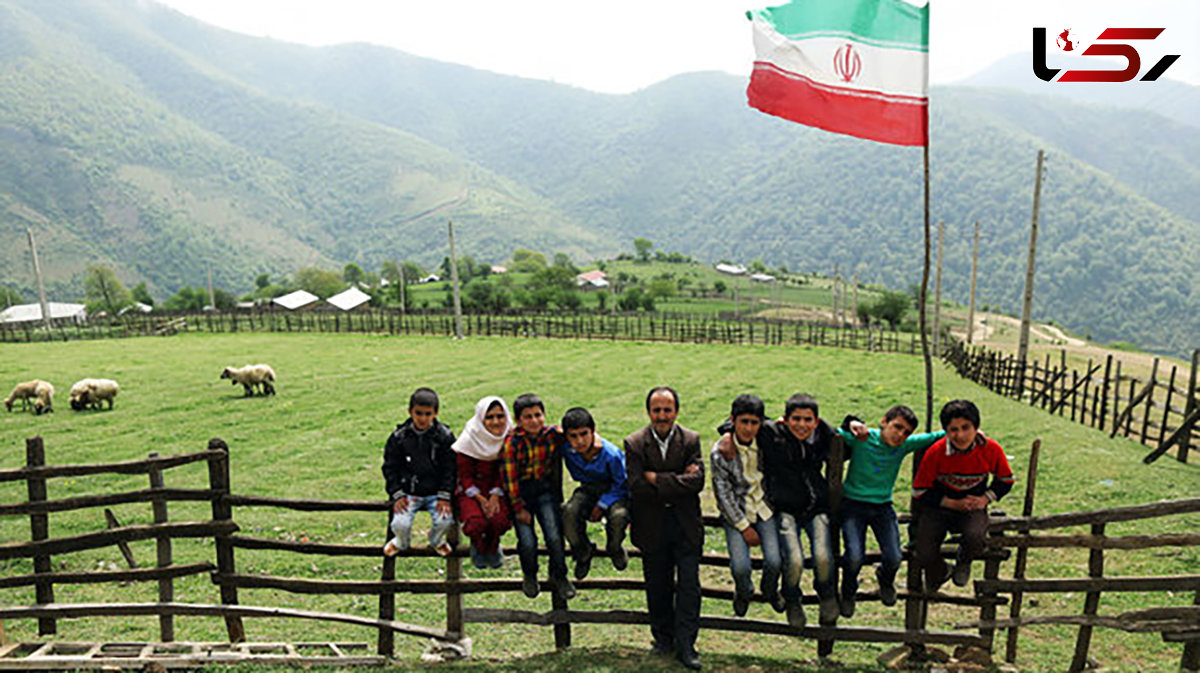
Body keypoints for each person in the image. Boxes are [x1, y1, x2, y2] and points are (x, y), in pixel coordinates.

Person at [835, 404, 945, 617]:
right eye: (897, 427)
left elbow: (933, 437)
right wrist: (850, 423)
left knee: (894, 556)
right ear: (884, 422)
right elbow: (831, 433)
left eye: (906, 432)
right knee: (854, 555)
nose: (900, 435)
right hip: (853, 505)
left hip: (882, 507)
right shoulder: (863, 439)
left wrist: (971, 432)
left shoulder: (902, 446)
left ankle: (885, 579)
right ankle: (848, 590)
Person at [625, 386, 704, 671]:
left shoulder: (691, 440)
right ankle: (662, 640)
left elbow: (697, 483)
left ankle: (687, 646)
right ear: (649, 412)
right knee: (656, 586)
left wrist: (656, 479)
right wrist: (678, 481)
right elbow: (636, 487)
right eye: (656, 410)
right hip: (652, 526)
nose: (662, 415)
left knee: (689, 588)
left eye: (667, 410)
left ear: (676, 411)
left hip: (685, 526)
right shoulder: (634, 443)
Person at [912, 399, 1014, 592]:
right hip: (939, 507)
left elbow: (1006, 480)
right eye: (953, 429)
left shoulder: (991, 449)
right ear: (946, 431)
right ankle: (940, 571)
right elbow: (919, 491)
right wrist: (950, 503)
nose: (960, 435)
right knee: (923, 552)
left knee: (976, 537)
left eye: (966, 428)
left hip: (973, 506)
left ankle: (964, 559)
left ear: (977, 427)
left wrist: (985, 498)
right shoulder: (936, 452)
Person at [762, 394, 840, 627]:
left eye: (808, 420)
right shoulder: (774, 436)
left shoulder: (823, 437)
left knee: (824, 556)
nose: (802, 425)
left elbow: (845, 440)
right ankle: (792, 597)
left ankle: (826, 593)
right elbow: (741, 421)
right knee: (794, 559)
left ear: (816, 421)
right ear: (785, 419)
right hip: (785, 508)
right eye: (796, 419)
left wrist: (850, 422)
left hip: (817, 507)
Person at [711, 394, 785, 619]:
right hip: (737, 513)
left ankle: (770, 589)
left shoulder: (765, 440)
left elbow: (774, 423)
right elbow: (723, 494)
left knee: (774, 560)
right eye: (744, 422)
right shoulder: (721, 452)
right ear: (733, 421)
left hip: (764, 508)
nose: (749, 428)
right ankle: (744, 592)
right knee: (740, 567)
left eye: (754, 423)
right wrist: (743, 527)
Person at [500, 393, 576, 601]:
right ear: (518, 421)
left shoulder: (551, 435)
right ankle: (530, 574)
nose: (534, 421)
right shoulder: (512, 443)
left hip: (544, 492)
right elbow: (510, 479)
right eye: (528, 417)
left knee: (554, 535)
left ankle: (559, 575)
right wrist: (518, 508)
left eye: (538, 415)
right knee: (527, 541)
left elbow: (572, 433)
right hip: (521, 495)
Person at [382, 387, 457, 557]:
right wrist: (397, 493)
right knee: (400, 524)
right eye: (418, 413)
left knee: (445, 521)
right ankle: (400, 542)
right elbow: (390, 467)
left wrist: (445, 494)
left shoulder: (444, 436)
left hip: (436, 492)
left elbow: (450, 467)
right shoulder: (399, 437)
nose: (423, 418)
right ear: (410, 412)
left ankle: (436, 540)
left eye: (428, 414)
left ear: (436, 413)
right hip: (409, 491)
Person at [560, 407, 630, 580]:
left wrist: (602, 505)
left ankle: (614, 547)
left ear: (594, 431)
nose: (580, 441)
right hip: (588, 488)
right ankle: (583, 551)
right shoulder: (567, 449)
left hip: (614, 491)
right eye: (573, 436)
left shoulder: (610, 454)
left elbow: (623, 484)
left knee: (619, 516)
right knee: (569, 512)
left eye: (584, 434)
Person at [452, 396, 514, 569]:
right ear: (481, 418)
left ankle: (493, 546)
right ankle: (478, 545)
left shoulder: (509, 437)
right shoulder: (469, 439)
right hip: (471, 490)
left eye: (500, 416)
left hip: (499, 488)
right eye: (489, 417)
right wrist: (481, 498)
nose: (496, 422)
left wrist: (495, 495)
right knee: (476, 522)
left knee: (498, 520)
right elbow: (464, 475)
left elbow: (505, 470)